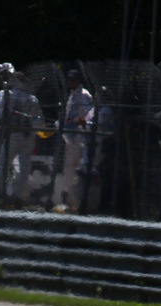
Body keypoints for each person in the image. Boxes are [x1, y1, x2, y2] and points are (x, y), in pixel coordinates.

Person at [0, 64, 43, 207]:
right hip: (28, 136)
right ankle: (18, 197)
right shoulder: (32, 99)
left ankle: (3, 195)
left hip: (11, 136)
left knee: (3, 166)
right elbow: (40, 121)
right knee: (24, 168)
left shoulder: (6, 95)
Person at [53, 69, 93, 212]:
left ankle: (77, 204)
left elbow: (89, 116)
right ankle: (70, 202)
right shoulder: (72, 95)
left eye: (73, 79)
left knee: (76, 171)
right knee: (68, 169)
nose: (70, 82)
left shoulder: (84, 95)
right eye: (69, 79)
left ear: (78, 81)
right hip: (70, 138)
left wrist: (81, 123)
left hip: (79, 138)